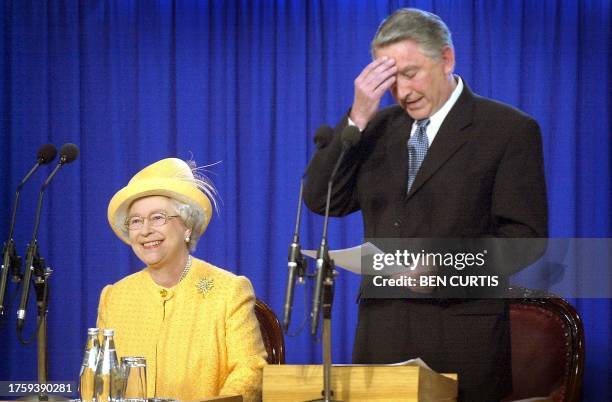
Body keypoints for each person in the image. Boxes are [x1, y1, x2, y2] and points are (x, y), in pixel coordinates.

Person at [303, 8, 547, 401]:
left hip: (462, 334)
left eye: (410, 73)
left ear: (446, 59)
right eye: (389, 78)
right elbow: (320, 199)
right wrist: (358, 116)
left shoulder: (508, 130)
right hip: (382, 333)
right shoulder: (377, 127)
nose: (401, 91)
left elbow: (526, 239)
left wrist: (444, 268)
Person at [97, 158, 267, 402]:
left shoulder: (230, 291)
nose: (145, 230)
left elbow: (250, 370)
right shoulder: (114, 297)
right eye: (135, 221)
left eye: (158, 218)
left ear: (187, 226)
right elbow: (101, 382)